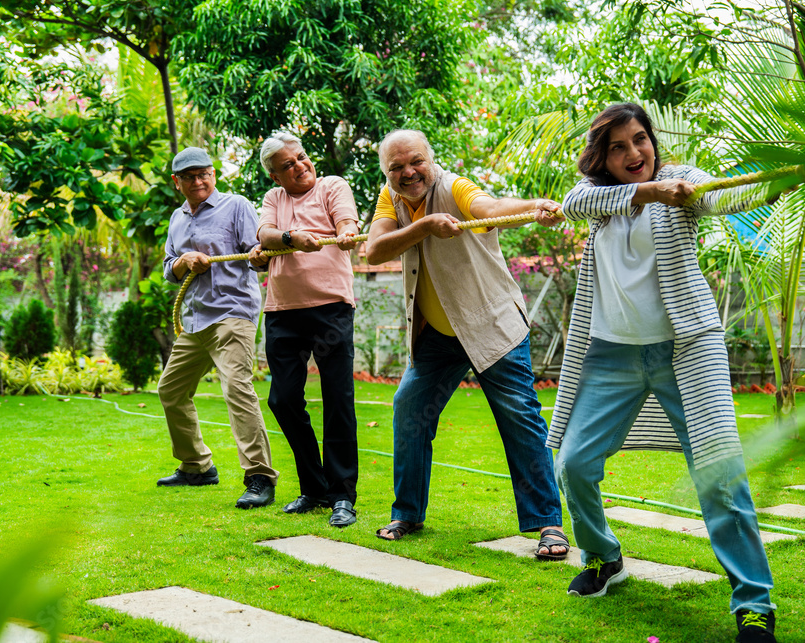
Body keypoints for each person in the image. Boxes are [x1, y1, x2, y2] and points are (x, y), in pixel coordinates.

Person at [548, 103, 778, 642]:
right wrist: (645, 194)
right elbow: (573, 200)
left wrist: (776, 178)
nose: (634, 153)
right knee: (574, 464)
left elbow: (727, 193)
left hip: (686, 352)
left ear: (653, 141)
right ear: (603, 157)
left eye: (640, 140)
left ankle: (753, 603)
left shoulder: (681, 183)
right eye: (619, 147)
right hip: (609, 357)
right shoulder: (601, 202)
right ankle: (605, 558)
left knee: (720, 473)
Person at [365, 129, 570, 559]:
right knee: (409, 408)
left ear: (431, 159)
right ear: (387, 173)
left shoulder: (454, 186)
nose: (407, 172)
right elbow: (375, 250)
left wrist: (535, 208)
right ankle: (408, 513)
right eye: (396, 167)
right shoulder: (391, 198)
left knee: (520, 418)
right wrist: (424, 227)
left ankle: (549, 524)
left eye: (415, 161)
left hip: (492, 327)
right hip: (438, 336)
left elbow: (490, 208)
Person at [157, 146, 278, 510]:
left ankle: (259, 477)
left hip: (232, 313)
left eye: (204, 174)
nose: (199, 181)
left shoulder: (236, 205)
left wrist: (261, 254)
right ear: (176, 183)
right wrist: (183, 261)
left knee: (237, 390)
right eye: (190, 177)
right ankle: (196, 466)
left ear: (214, 173)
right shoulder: (177, 219)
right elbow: (168, 267)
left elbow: (256, 252)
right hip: (195, 319)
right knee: (171, 391)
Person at [254, 132, 361, 528]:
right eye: (288, 165)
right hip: (283, 311)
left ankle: (342, 497)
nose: (300, 166)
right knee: (282, 400)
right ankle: (313, 488)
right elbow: (265, 235)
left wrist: (347, 231)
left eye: (301, 158)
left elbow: (346, 219)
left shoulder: (332, 185)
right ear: (275, 176)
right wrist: (289, 238)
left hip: (331, 308)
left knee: (337, 399)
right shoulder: (274, 200)